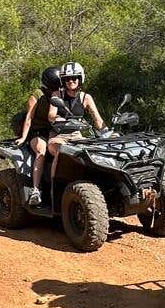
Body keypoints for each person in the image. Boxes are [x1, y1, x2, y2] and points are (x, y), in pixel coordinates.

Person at [47, 61, 104, 181]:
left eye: (74, 78)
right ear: (63, 81)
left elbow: (97, 119)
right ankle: (55, 185)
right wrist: (58, 118)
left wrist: (108, 131)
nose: (71, 81)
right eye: (67, 79)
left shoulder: (85, 97)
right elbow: (51, 115)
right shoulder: (57, 95)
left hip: (77, 136)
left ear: (80, 79)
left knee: (94, 155)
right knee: (62, 152)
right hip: (58, 136)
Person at [18, 66, 65, 206]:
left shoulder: (61, 94)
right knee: (41, 150)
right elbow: (29, 117)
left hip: (56, 131)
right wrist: (23, 137)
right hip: (38, 131)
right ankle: (36, 190)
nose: (59, 86)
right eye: (57, 84)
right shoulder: (37, 95)